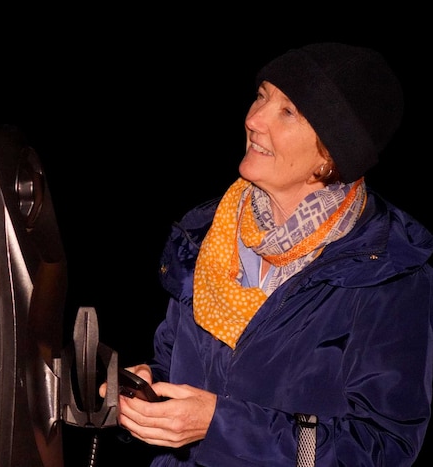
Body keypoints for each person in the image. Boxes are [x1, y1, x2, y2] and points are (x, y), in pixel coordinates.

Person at [103, 42, 433, 465]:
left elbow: (381, 447)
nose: (253, 119)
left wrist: (220, 427)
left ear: (330, 156)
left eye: (288, 111)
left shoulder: (384, 272)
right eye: (262, 95)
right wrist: (151, 392)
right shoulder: (207, 237)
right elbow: (175, 366)